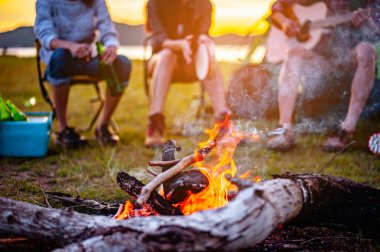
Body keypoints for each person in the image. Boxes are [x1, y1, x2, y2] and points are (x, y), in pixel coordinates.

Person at [266, 0, 379, 151]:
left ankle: (346, 129)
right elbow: (278, 7)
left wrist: (369, 23)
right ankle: (285, 128)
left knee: (367, 51)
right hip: (318, 58)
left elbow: (376, 27)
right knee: (293, 53)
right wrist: (286, 22)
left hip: (347, 57)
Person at [34, 0, 131, 148]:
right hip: (59, 58)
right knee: (60, 56)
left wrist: (111, 45)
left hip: (88, 58)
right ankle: (63, 129)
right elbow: (45, 34)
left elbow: (106, 27)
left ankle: (103, 126)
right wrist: (71, 46)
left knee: (123, 64)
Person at [144, 0, 229, 147]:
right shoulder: (155, 3)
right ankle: (155, 124)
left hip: (190, 61)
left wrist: (203, 39)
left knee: (210, 59)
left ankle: (222, 121)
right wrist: (179, 45)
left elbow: (203, 32)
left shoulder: (204, 4)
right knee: (167, 55)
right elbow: (158, 39)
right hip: (161, 61)